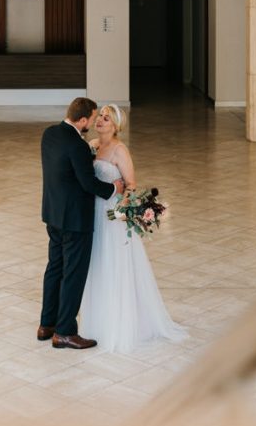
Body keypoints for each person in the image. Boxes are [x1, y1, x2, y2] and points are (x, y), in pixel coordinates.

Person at [79, 104, 188, 353]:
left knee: (113, 263)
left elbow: (130, 184)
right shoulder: (93, 145)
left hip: (112, 215)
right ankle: (96, 319)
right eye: (101, 117)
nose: (101, 121)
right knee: (96, 262)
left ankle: (119, 322)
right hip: (93, 211)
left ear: (116, 126)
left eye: (106, 119)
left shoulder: (119, 150)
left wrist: (122, 208)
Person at [38, 97, 125, 349]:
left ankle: (47, 324)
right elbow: (89, 184)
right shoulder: (77, 145)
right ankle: (65, 332)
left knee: (55, 268)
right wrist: (113, 188)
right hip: (75, 220)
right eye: (94, 116)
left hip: (53, 214)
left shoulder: (50, 134)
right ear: (83, 119)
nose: (96, 121)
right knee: (73, 275)